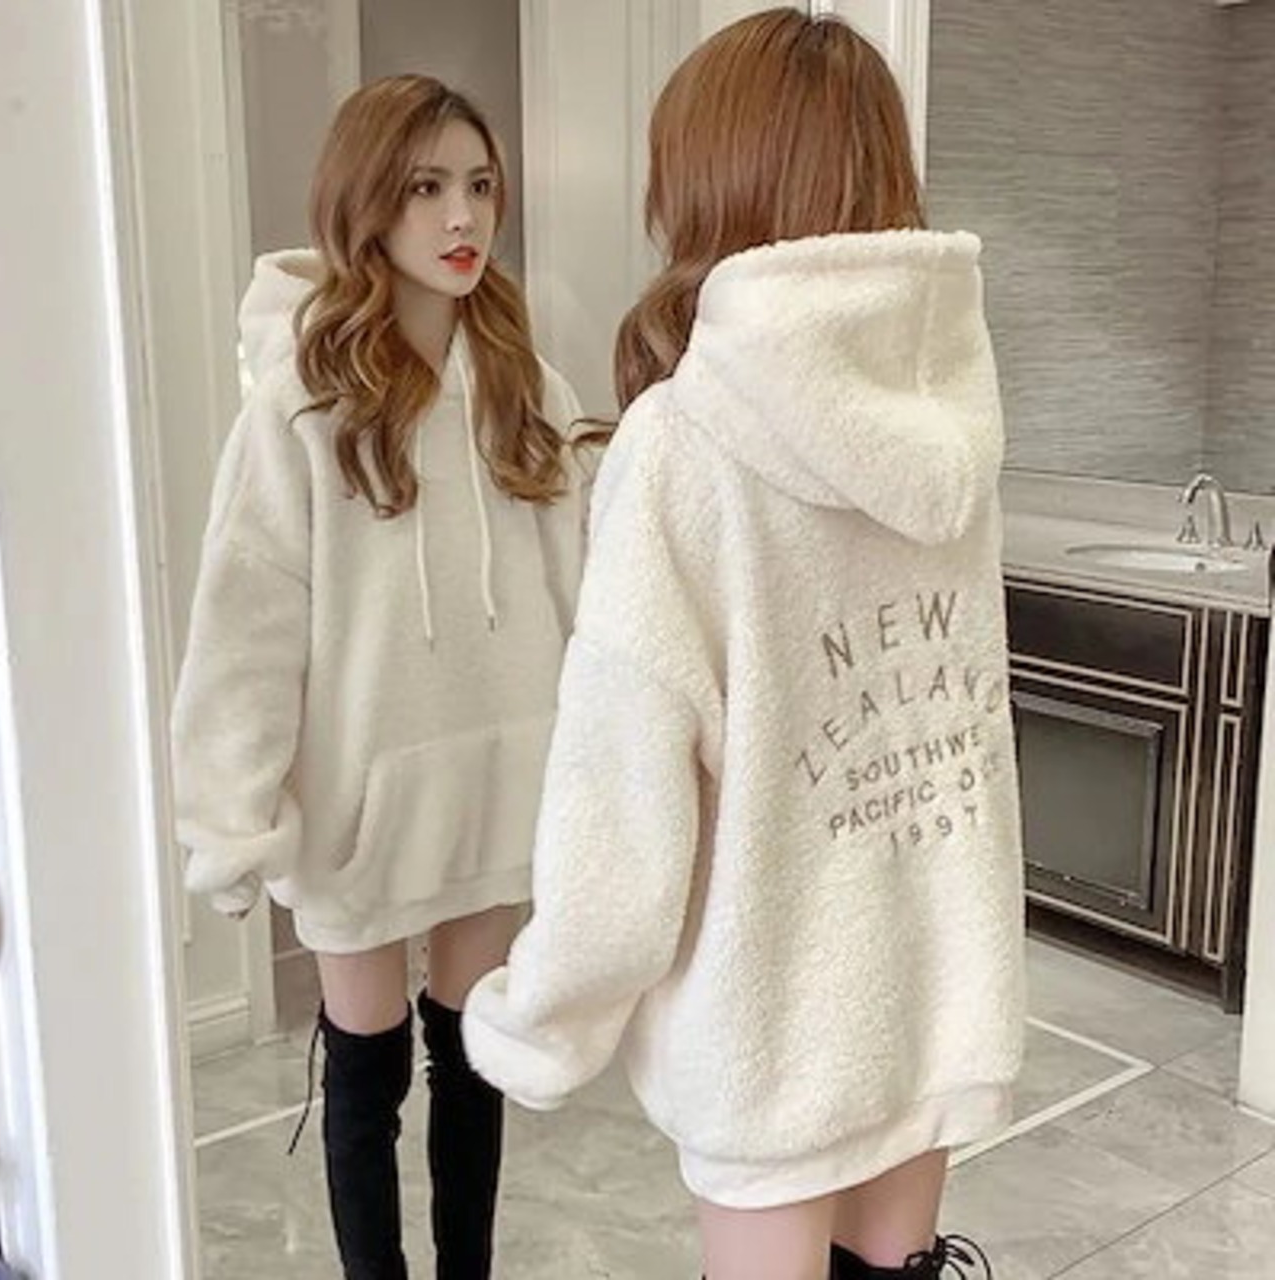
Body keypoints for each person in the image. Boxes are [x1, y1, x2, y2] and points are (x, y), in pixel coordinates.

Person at [461, 10, 1024, 1280]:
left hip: (769, 1017)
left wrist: (545, 1011)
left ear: (707, 180)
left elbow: (622, 791)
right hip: (935, 983)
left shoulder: (680, 444)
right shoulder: (953, 416)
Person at [171, 75, 592, 1280]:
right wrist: (230, 813)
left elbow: (579, 593)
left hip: (495, 779)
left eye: (479, 185)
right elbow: (247, 620)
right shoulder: (301, 403)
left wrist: (592, 770)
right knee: (365, 1070)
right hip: (357, 802)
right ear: (367, 203)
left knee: (472, 1064)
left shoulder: (527, 388)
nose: (462, 217)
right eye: (424, 187)